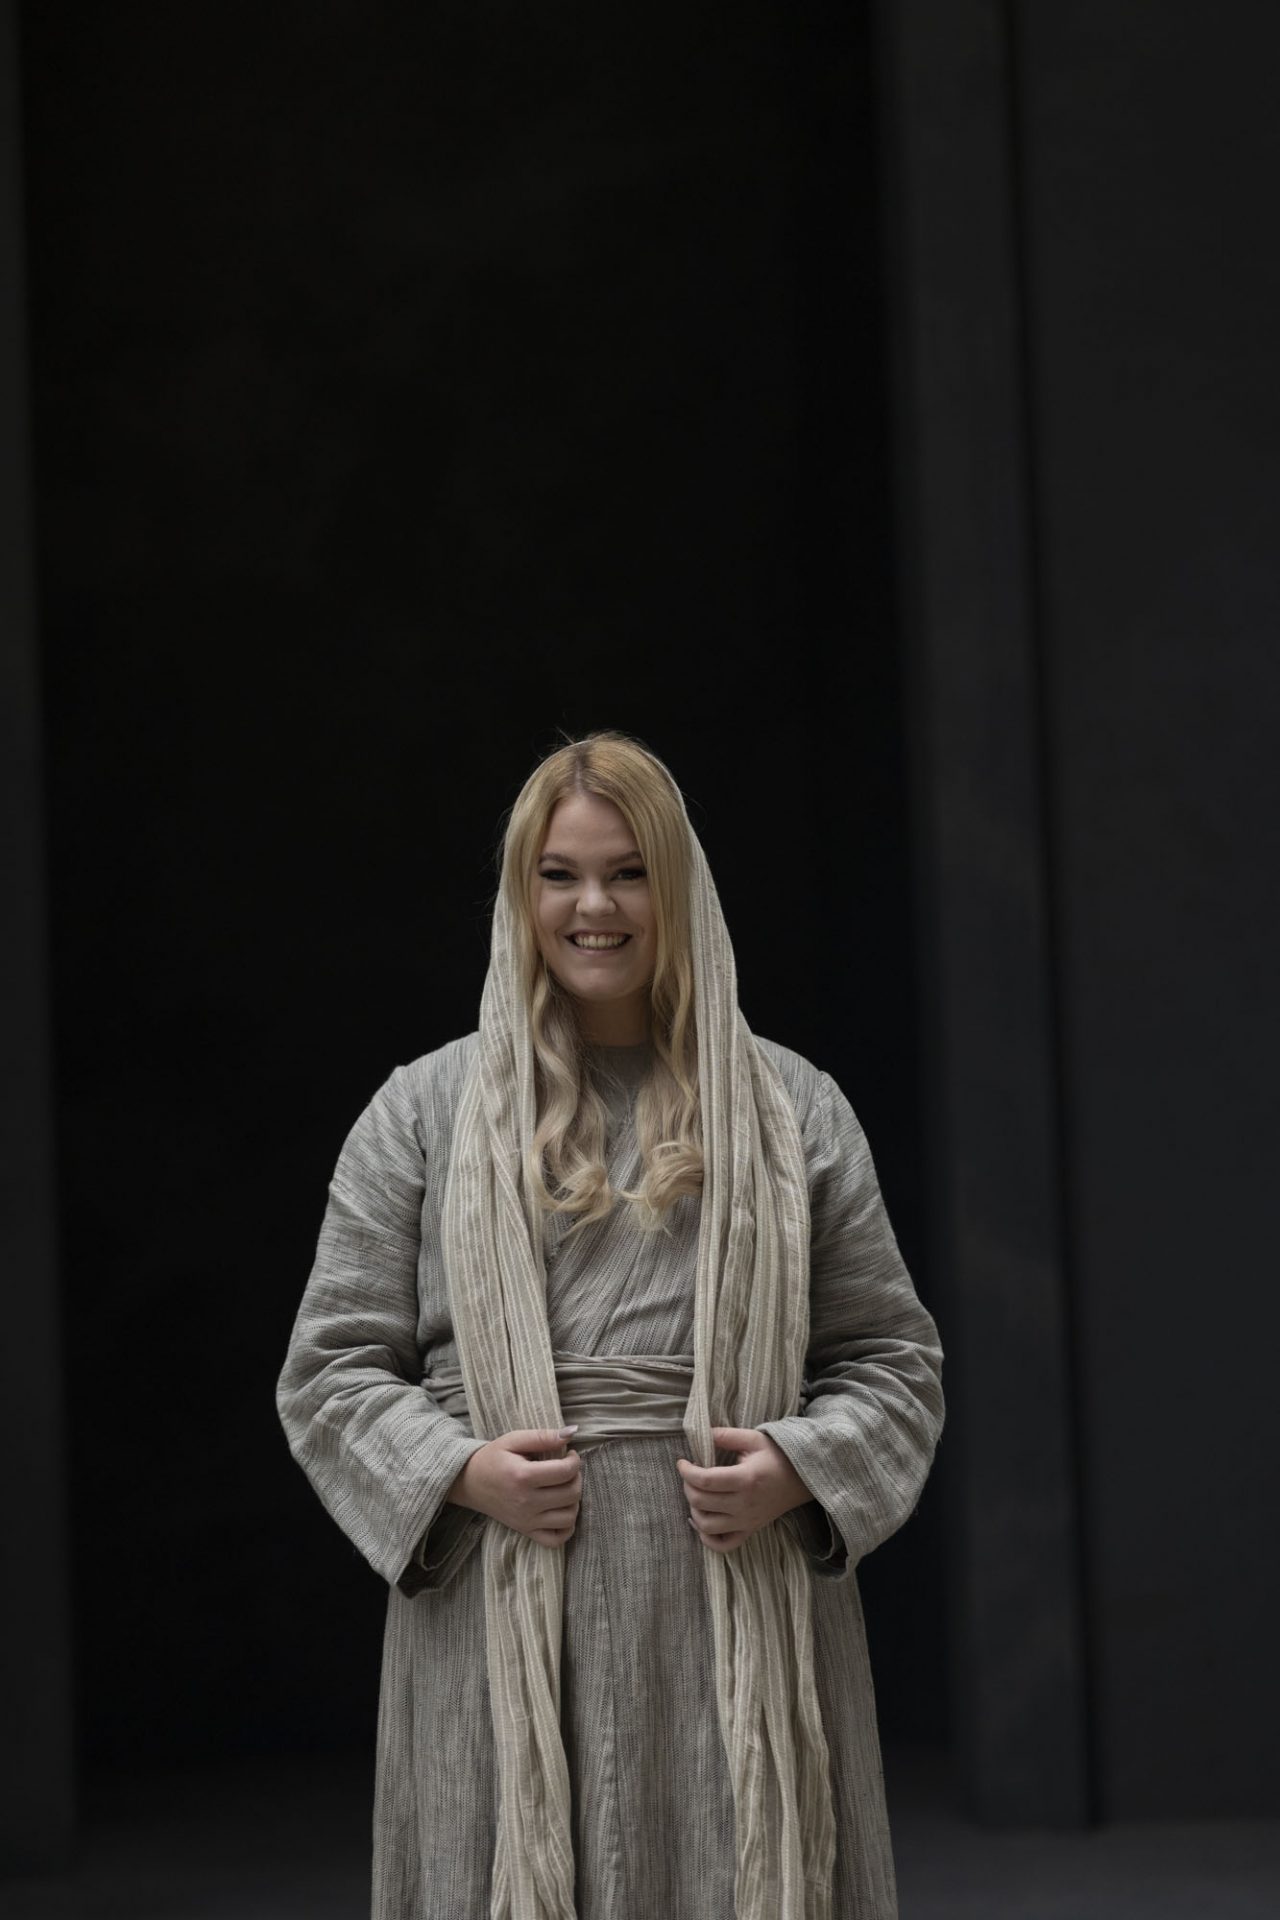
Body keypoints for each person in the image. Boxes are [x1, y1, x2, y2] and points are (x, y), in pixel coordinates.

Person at [275, 729, 945, 1920]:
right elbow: (329, 1371)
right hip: (498, 1604)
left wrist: (793, 1466)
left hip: (731, 1591)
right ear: (519, 892)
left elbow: (891, 1360)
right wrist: (463, 1472)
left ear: (676, 888)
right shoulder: (421, 1112)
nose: (595, 906)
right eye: (561, 875)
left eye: (629, 872)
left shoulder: (792, 1108)